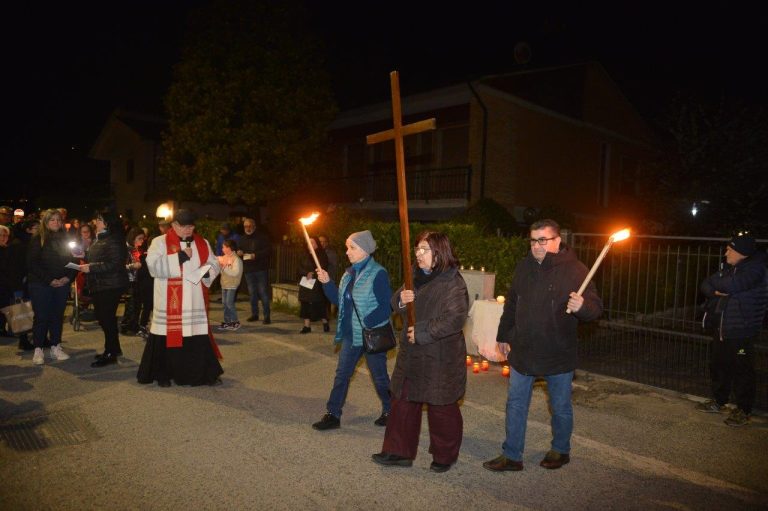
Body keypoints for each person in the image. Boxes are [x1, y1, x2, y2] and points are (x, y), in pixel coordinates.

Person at [483, 219, 602, 472]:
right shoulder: (524, 267)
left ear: (557, 241)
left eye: (542, 240)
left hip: (557, 352)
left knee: (559, 406)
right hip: (523, 349)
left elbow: (595, 310)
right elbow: (512, 305)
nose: (536, 246)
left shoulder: (576, 271)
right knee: (515, 404)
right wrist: (504, 336)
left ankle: (560, 450)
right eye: (533, 240)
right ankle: (512, 455)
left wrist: (582, 307)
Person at [372, 231, 469, 473]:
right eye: (417, 249)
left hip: (439, 356)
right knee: (403, 401)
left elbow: (454, 319)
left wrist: (423, 332)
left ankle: (444, 455)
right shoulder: (413, 276)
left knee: (441, 407)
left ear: (440, 253)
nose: (418, 254)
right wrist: (403, 300)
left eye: (424, 249)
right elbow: (395, 303)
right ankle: (398, 451)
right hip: (412, 354)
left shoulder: (453, 282)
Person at [313, 230, 392, 430]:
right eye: (347, 247)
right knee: (342, 375)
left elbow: (385, 307)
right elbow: (338, 301)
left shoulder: (378, 273)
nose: (347, 251)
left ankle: (390, 410)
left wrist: (365, 320)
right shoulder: (348, 273)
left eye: (352, 247)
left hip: (371, 334)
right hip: (350, 335)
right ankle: (333, 414)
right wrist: (326, 283)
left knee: (380, 377)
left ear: (365, 250)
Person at [137, 209, 223, 387]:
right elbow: (153, 267)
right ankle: (163, 374)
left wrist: (206, 272)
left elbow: (214, 263)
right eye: (183, 226)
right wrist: (181, 256)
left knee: (195, 335)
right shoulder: (159, 242)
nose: (188, 230)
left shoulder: (202, 242)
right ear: (174, 225)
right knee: (166, 335)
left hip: (194, 299)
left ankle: (200, 374)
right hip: (170, 301)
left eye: (191, 226)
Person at [696, 233, 767, 427]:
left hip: (741, 328)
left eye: (730, 249)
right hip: (722, 326)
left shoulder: (756, 270)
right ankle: (719, 401)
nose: (726, 252)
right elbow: (705, 284)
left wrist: (719, 285)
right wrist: (717, 289)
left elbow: (733, 285)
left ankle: (743, 410)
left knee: (742, 370)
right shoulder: (730, 267)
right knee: (719, 365)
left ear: (742, 253)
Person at [26, 208, 77, 365]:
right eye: (52, 220)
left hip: (61, 284)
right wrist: (50, 280)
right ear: (46, 222)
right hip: (41, 284)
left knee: (57, 316)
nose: (56, 222)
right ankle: (38, 349)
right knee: (42, 317)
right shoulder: (38, 238)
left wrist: (67, 278)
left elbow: (75, 261)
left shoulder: (66, 238)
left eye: (58, 220)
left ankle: (56, 346)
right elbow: (32, 263)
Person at [79, 212, 129, 367]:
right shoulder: (100, 238)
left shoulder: (113, 239)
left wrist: (91, 267)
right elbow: (101, 259)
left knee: (106, 318)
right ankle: (114, 348)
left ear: (108, 223)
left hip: (111, 285)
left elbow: (114, 264)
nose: (96, 222)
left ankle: (110, 353)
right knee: (104, 318)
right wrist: (85, 255)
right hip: (101, 284)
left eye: (99, 220)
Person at [238, 218, 271, 324]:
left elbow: (268, 250)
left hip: (260, 269)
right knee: (252, 294)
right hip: (248, 269)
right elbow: (239, 249)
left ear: (254, 226)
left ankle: (267, 316)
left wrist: (255, 255)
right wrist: (239, 252)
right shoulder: (242, 238)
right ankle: (255, 314)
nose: (247, 228)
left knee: (263, 293)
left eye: (249, 226)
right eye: (245, 226)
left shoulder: (262, 237)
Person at [121, 228, 151, 337]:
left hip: (137, 280)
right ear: (133, 238)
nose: (142, 241)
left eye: (143, 238)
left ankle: (133, 326)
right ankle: (126, 326)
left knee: (136, 304)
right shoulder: (125, 249)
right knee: (131, 304)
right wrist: (132, 266)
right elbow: (119, 266)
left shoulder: (135, 249)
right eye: (139, 238)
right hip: (128, 280)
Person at [298, 237, 330, 333]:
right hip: (306, 282)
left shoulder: (322, 254)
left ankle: (325, 322)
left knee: (318, 304)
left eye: (312, 242)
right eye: (308, 243)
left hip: (317, 284)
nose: (310, 245)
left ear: (316, 244)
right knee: (305, 303)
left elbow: (323, 267)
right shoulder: (304, 254)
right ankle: (307, 326)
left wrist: (313, 273)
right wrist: (305, 273)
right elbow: (299, 267)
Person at [217, 239, 244, 331]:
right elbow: (222, 271)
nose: (222, 249)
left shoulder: (236, 259)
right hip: (224, 284)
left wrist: (223, 268)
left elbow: (235, 273)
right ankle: (227, 322)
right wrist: (220, 268)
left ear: (230, 248)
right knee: (224, 304)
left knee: (229, 303)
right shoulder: (224, 257)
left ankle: (235, 322)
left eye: (224, 247)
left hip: (232, 285)